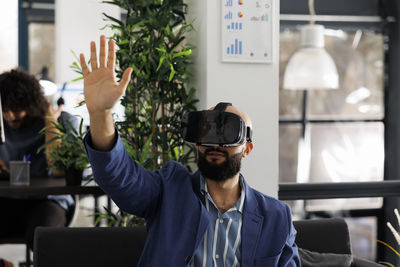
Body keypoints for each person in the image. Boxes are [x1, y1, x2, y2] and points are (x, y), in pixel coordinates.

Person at [81, 35, 300, 266]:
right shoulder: (169, 190)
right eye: (207, 132)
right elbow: (119, 178)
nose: (215, 144)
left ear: (247, 148)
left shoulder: (276, 217)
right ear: (196, 142)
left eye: (227, 133)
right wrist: (100, 114)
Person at [0, 69, 78, 253]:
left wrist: (50, 121)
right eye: (4, 109)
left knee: (44, 238)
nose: (10, 115)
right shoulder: (1, 127)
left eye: (17, 108)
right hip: (7, 200)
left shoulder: (63, 122)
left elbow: (58, 169)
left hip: (48, 201)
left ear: (31, 103)